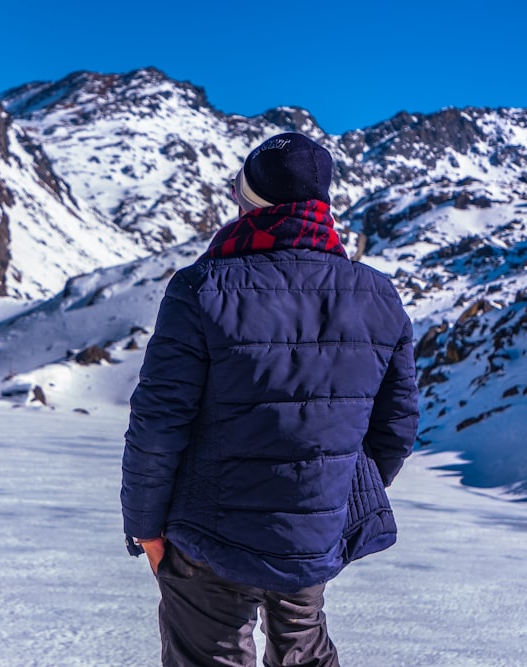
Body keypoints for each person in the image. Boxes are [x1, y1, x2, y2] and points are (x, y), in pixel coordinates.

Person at [121, 132, 419, 666]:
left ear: (251, 202)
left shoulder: (202, 286)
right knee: (303, 646)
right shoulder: (378, 295)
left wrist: (145, 526)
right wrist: (324, 497)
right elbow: (395, 426)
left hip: (207, 532)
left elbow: (159, 423)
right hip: (311, 536)